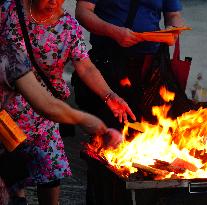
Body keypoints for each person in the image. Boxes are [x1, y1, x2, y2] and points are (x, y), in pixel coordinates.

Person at [1, 0, 134, 204]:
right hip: (7, 114)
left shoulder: (68, 27)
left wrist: (109, 95)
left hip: (47, 113)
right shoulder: (8, 10)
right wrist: (88, 122)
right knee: (12, 179)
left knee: (50, 173)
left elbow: (86, 67)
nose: (54, 1)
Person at [73, 0, 186, 129]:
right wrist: (113, 32)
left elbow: (173, 15)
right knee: (110, 123)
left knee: (152, 124)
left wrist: (174, 29)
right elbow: (83, 11)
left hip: (151, 63)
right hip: (109, 59)